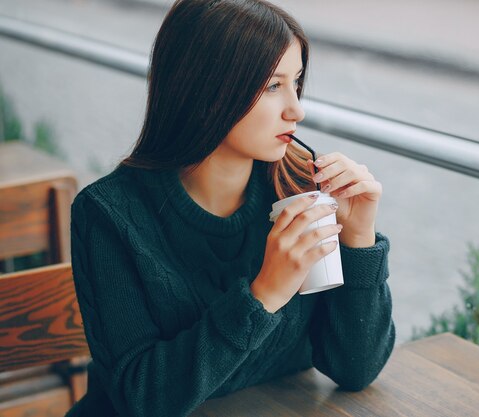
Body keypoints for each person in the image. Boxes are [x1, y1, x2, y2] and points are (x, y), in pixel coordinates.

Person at [67, 0, 395, 415]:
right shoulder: (109, 215)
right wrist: (265, 294)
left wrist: (359, 239)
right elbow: (142, 400)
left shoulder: (301, 187)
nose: (297, 109)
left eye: (296, 83)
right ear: (205, 91)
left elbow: (356, 370)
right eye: (273, 86)